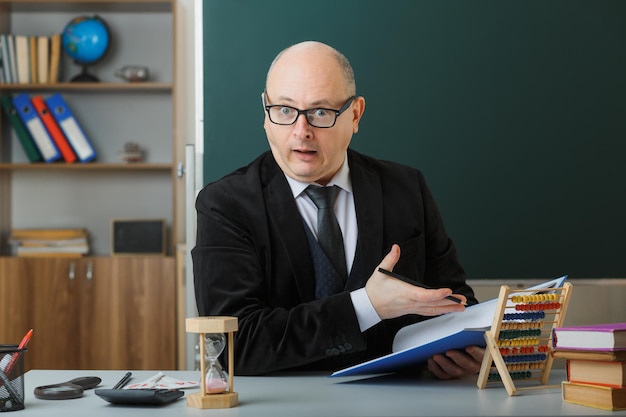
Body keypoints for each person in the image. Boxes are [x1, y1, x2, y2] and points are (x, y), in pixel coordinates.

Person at [193, 40, 484, 378]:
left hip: (402, 401)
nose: (301, 132)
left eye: (321, 112)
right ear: (266, 111)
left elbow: (454, 300)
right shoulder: (225, 205)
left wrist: (466, 349)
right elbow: (232, 345)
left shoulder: (406, 189)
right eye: (285, 110)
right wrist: (367, 306)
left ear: (355, 114)